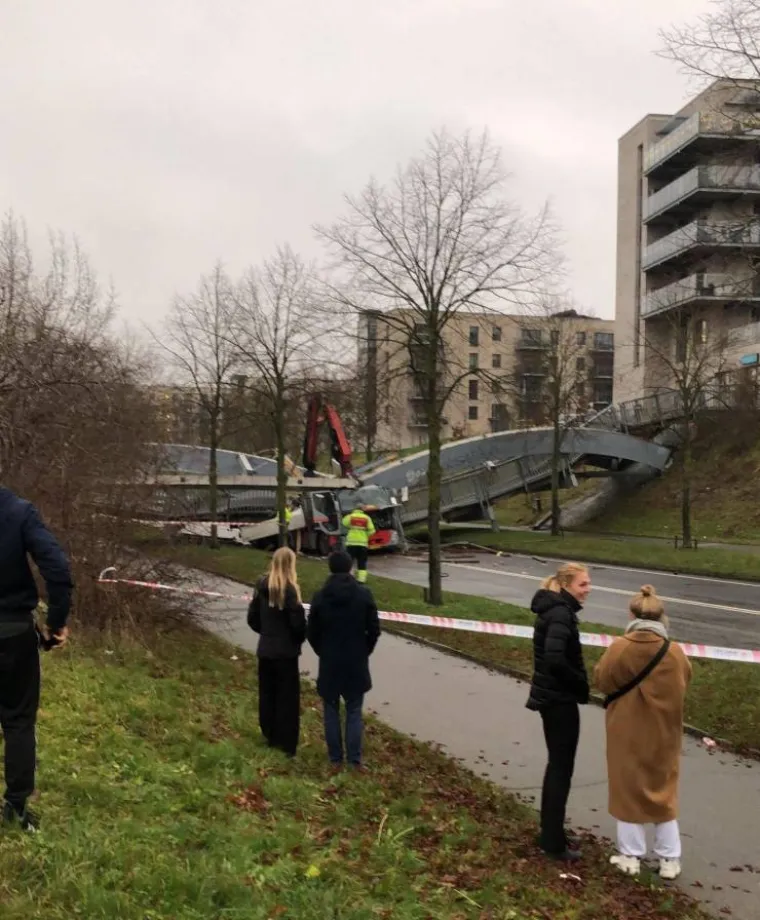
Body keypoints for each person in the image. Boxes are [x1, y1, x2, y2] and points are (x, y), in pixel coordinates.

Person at [594, 585, 692, 881]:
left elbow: (602, 681)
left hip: (626, 729)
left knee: (627, 790)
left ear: (631, 615)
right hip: (664, 731)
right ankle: (670, 859)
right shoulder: (674, 652)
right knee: (663, 792)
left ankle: (630, 856)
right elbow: (685, 680)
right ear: (661, 616)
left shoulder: (620, 647)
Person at [0, 487, 73, 831]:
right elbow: (57, 568)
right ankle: (15, 809)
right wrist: (56, 623)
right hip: (14, 634)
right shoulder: (18, 511)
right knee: (18, 721)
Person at [526, 562, 591, 861]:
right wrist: (579, 682)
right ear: (565, 585)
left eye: (588, 583)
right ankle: (552, 843)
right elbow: (554, 658)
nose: (588, 589)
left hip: (552, 698)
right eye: (582, 584)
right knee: (560, 769)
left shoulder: (555, 610)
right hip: (559, 701)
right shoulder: (561, 614)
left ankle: (552, 831)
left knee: (558, 766)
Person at [307, 551, 380, 771]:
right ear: (350, 568)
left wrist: (322, 651)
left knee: (330, 710)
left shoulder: (320, 597)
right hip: (355, 660)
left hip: (330, 661)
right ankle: (354, 760)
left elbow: (312, 631)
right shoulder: (364, 595)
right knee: (354, 711)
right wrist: (364, 650)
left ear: (330, 568)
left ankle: (335, 759)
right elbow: (374, 630)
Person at [247, 547, 306, 758]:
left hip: (266, 650)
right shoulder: (289, 591)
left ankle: (270, 734)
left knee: (267, 694)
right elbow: (298, 625)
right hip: (286, 654)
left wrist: (267, 633)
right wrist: (296, 639)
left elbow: (252, 618)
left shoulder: (262, 587)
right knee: (287, 698)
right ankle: (286, 743)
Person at [341, 504, 375, 583]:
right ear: (362, 510)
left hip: (351, 543)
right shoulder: (367, 518)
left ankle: (349, 577)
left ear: (355, 509)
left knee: (349, 561)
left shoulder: (351, 516)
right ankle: (361, 579)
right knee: (362, 562)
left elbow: (343, 522)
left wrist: (351, 526)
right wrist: (365, 535)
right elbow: (372, 531)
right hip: (362, 544)